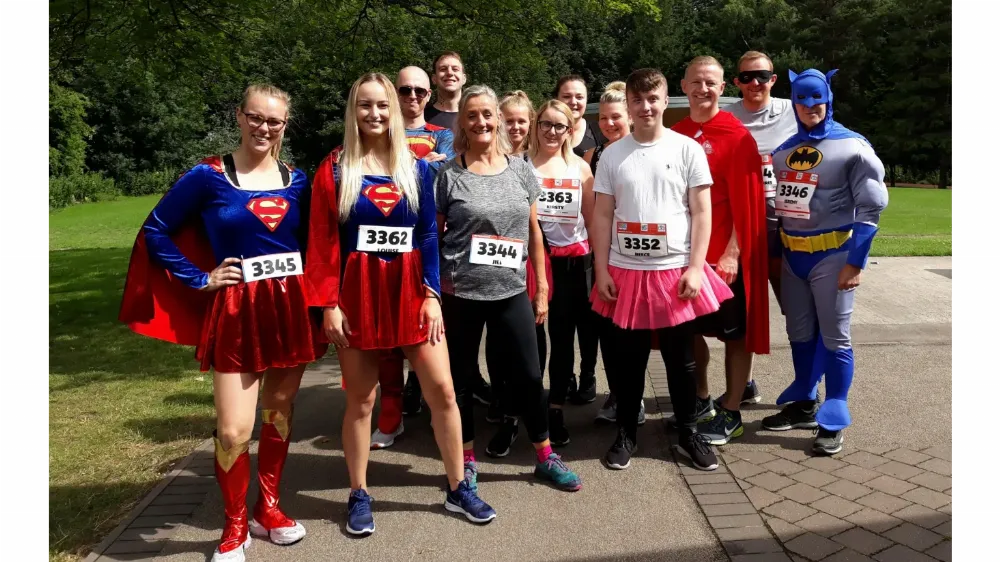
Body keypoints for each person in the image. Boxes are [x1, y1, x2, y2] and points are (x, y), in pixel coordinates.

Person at [119, 84, 324, 562]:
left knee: (278, 413)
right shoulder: (207, 176)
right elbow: (156, 230)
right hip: (237, 311)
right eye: (256, 117)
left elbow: (318, 242)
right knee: (233, 429)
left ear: (284, 126)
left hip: (290, 309)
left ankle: (267, 508)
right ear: (239, 116)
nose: (264, 128)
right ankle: (234, 525)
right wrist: (198, 277)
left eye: (274, 121)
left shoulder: (298, 180)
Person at [305, 73, 496, 535]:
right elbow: (324, 241)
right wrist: (329, 303)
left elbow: (429, 233)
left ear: (395, 111)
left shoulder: (418, 167)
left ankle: (456, 487)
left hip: (411, 290)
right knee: (361, 399)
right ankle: (359, 493)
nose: (374, 114)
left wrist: (432, 294)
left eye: (382, 105)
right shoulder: (334, 168)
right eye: (365, 105)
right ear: (353, 111)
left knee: (443, 391)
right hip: (358, 295)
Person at [436, 84, 583, 491]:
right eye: (472, 115)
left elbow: (534, 232)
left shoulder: (520, 169)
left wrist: (539, 289)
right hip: (460, 293)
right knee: (462, 381)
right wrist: (431, 295)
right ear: (462, 123)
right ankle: (466, 459)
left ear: (497, 119)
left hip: (511, 291)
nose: (481, 122)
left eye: (487, 114)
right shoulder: (449, 174)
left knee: (530, 377)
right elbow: (435, 236)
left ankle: (544, 454)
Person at [590, 68, 732, 472]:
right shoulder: (612, 154)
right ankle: (626, 433)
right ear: (628, 106)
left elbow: (701, 211)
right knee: (627, 359)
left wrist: (695, 268)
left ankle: (689, 430)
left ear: (665, 101)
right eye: (638, 100)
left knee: (681, 359)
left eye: (653, 99)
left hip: (674, 271)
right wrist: (602, 271)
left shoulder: (686, 149)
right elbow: (602, 216)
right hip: (625, 271)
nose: (646, 107)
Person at [763, 68, 888, 455]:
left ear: (828, 98)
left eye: (816, 98)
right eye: (802, 98)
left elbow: (871, 207)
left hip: (833, 257)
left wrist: (856, 262)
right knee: (798, 334)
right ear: (794, 101)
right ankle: (805, 401)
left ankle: (834, 414)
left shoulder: (852, 147)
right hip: (793, 258)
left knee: (835, 337)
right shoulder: (783, 151)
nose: (809, 106)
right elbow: (778, 209)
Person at [669, 56, 769, 446]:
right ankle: (702, 398)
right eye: (696, 81)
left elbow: (748, 202)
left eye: (711, 82)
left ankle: (732, 410)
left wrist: (732, 254)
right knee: (687, 334)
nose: (703, 89)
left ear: (723, 87)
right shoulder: (674, 134)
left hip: (724, 260)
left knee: (735, 336)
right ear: (684, 85)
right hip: (684, 257)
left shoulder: (737, 135)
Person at [369, 65, 458, 451]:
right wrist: (429, 161)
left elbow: (449, 172)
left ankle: (440, 406)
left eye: (420, 92)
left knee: (433, 328)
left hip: (434, 239)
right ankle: (391, 410)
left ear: (429, 95)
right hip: (383, 247)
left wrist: (431, 162)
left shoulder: (444, 133)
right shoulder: (378, 133)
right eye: (404, 90)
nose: (412, 98)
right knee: (385, 336)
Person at [721, 50, 801, 405]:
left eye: (763, 75)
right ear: (736, 82)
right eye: (747, 77)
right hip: (744, 233)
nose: (755, 83)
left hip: (788, 232)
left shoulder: (794, 111)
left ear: (774, 78)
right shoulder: (726, 116)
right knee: (744, 315)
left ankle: (806, 392)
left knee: (798, 316)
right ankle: (745, 384)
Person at [524, 99, 596, 447]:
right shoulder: (520, 165)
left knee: (564, 341)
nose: (551, 132)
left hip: (570, 265)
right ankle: (530, 408)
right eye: (546, 124)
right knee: (533, 343)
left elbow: (594, 222)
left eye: (560, 126)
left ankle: (556, 409)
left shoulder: (580, 168)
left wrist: (603, 269)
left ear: (570, 131)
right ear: (536, 125)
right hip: (531, 265)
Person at [484, 91, 553, 457]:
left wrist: (540, 283)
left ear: (530, 125)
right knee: (497, 346)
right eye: (508, 120)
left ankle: (536, 416)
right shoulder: (482, 159)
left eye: (521, 121)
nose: (514, 127)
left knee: (530, 348)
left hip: (527, 267)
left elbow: (534, 229)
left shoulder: (528, 164)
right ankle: (506, 412)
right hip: (489, 271)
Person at [582, 81, 645, 427]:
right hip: (603, 255)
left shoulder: (643, 149)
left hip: (637, 255)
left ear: (630, 118)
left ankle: (634, 401)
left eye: (615, 117)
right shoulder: (598, 154)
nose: (608, 123)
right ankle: (618, 393)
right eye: (603, 118)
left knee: (633, 332)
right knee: (607, 329)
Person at [553, 74, 604, 399]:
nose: (574, 102)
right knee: (559, 322)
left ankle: (588, 375)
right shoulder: (549, 134)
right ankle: (564, 377)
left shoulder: (599, 136)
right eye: (567, 96)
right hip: (554, 249)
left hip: (587, 247)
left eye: (579, 97)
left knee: (588, 322)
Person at [424, 51, 467, 129]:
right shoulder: (422, 118)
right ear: (434, 79)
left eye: (455, 69)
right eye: (443, 69)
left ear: (464, 79)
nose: (449, 73)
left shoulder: (476, 116)